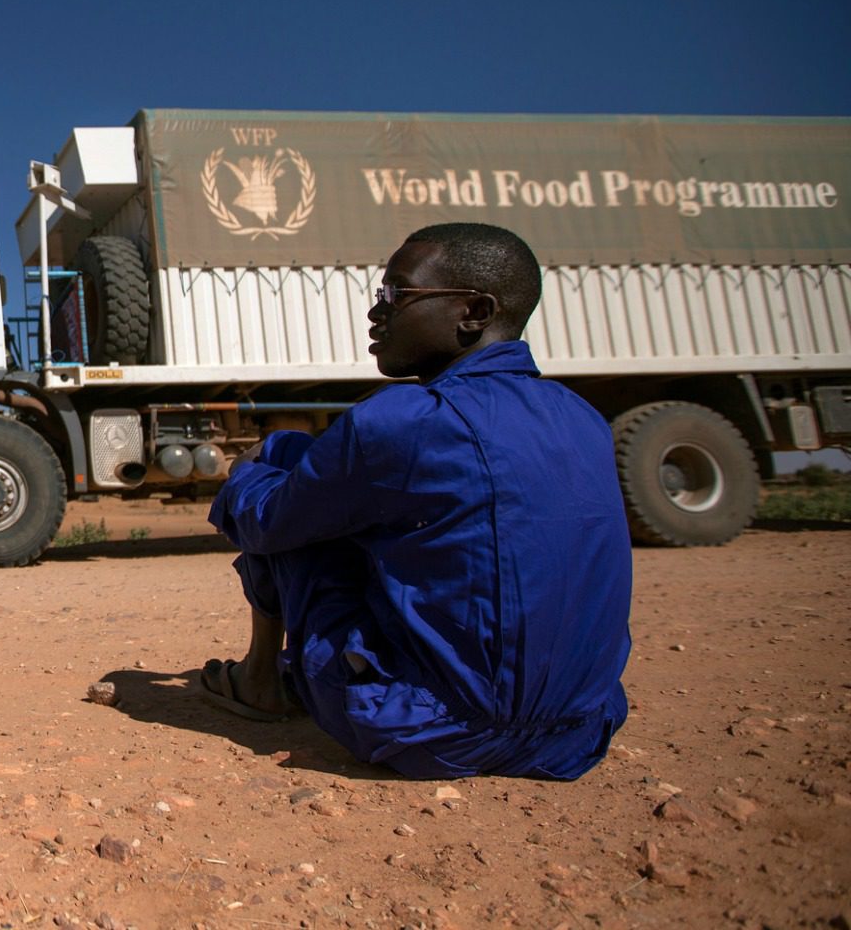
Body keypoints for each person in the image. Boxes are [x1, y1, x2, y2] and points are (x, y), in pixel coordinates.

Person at [201, 222, 632, 780]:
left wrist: (246, 473)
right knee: (320, 476)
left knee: (281, 490)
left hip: (434, 733)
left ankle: (261, 680)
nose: (376, 313)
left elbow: (267, 524)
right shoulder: (583, 418)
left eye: (395, 294)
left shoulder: (403, 421)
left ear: (473, 312)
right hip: (577, 734)